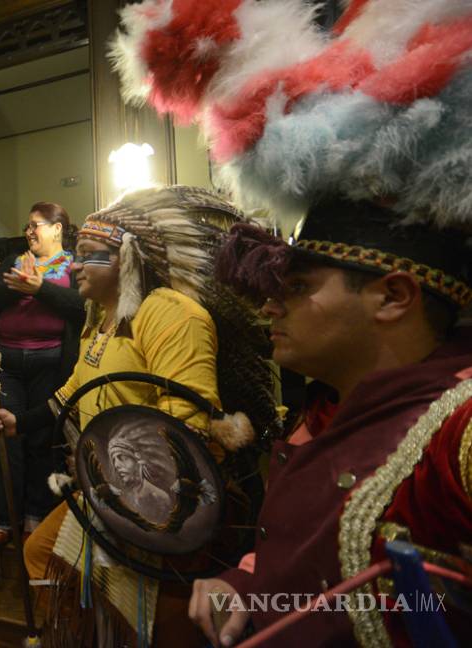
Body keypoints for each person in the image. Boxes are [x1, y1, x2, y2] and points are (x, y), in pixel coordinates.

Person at [105, 2, 472, 644]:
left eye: (297, 286)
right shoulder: (330, 409)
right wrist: (247, 582)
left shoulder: (458, 434)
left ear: (393, 297)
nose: (270, 304)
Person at [0, 187, 276, 647]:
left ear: (128, 258)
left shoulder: (171, 314)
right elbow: (72, 391)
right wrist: (21, 421)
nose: (74, 266)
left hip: (165, 502)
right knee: (41, 553)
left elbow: (187, 424)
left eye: (89, 255)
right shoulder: (99, 317)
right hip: (107, 486)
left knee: (160, 623)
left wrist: (132, 494)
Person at [0, 202, 85, 545]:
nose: (28, 231)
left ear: (57, 229)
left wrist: (40, 289)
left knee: (42, 439)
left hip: (51, 363)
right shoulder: (14, 260)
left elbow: (82, 308)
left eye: (35, 224)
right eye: (27, 226)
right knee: (4, 438)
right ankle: (4, 518)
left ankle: (35, 516)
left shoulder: (73, 265)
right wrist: (18, 283)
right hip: (8, 363)